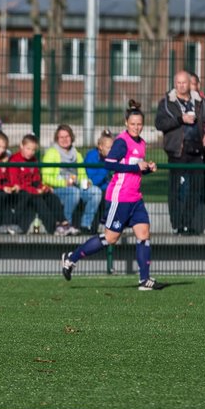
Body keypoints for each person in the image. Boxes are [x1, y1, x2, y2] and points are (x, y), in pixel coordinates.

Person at [60, 100, 161, 290]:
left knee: (144, 233)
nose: (136, 127)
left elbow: (134, 170)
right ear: (126, 123)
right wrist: (135, 166)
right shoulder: (122, 142)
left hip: (135, 198)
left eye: (139, 124)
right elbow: (110, 164)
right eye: (133, 124)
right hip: (120, 197)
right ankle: (71, 259)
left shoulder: (142, 143)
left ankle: (144, 280)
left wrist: (147, 169)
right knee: (110, 238)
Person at [156, 70, 205, 234]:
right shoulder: (167, 102)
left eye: (184, 83)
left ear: (190, 84)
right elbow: (159, 123)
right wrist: (180, 119)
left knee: (195, 187)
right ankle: (177, 224)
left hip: (196, 151)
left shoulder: (199, 102)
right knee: (176, 189)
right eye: (178, 83)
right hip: (177, 151)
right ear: (174, 84)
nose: (181, 86)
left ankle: (188, 223)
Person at [9, 134, 67, 234]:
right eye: (28, 149)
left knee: (51, 196)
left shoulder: (34, 161)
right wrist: (35, 191)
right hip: (20, 193)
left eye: (33, 150)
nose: (30, 152)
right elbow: (16, 184)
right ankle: (53, 228)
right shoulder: (14, 160)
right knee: (38, 200)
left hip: (32, 191)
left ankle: (64, 222)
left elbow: (36, 180)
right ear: (21, 146)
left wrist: (44, 188)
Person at [41, 125, 86, 236]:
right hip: (56, 188)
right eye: (61, 137)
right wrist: (64, 183)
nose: (65, 139)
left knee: (95, 192)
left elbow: (82, 174)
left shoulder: (77, 154)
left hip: (75, 185)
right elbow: (46, 177)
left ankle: (86, 226)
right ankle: (66, 224)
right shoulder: (51, 153)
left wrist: (86, 182)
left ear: (71, 137)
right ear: (57, 138)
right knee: (73, 192)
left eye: (67, 136)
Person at [81, 131, 115, 234]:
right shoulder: (91, 156)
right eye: (109, 147)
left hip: (105, 187)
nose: (111, 150)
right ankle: (94, 225)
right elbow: (92, 180)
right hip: (91, 187)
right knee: (102, 196)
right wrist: (106, 167)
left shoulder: (111, 158)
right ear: (100, 147)